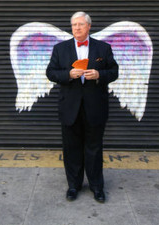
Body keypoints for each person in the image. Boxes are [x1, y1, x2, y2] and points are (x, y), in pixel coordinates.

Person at [46, 11, 119, 203]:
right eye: (74, 25)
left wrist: (99, 75)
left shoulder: (103, 48)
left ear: (89, 26)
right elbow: (51, 72)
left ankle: (97, 187)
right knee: (71, 148)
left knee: (94, 148)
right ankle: (73, 185)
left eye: (80, 24)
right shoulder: (60, 49)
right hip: (70, 107)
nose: (77, 28)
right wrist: (68, 74)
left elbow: (114, 71)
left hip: (95, 107)